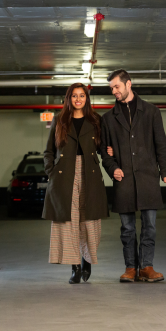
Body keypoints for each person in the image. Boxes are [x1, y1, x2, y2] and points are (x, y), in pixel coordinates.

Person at [100, 69, 166, 283]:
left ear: (128, 84)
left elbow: (161, 143)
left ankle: (147, 267)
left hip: (148, 177)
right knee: (127, 228)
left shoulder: (151, 112)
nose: (114, 91)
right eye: (111, 88)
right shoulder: (108, 119)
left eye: (117, 87)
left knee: (149, 226)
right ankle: (131, 267)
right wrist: (113, 168)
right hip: (124, 180)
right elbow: (104, 151)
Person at [43, 83, 109, 284]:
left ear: (86, 99)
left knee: (88, 222)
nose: (78, 99)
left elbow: (103, 148)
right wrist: (51, 172)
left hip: (90, 175)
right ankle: (75, 268)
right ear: (68, 99)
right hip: (65, 177)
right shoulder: (60, 120)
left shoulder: (96, 120)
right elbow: (48, 151)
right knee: (69, 223)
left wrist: (111, 154)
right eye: (74, 96)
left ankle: (86, 260)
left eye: (82, 95)